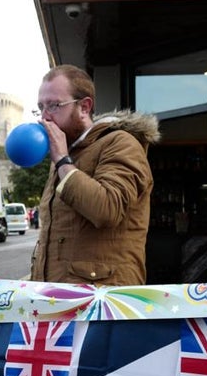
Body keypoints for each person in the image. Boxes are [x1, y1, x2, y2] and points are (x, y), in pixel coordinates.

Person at [30, 64, 159, 286]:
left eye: (53, 106)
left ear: (84, 107)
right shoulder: (66, 156)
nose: (44, 117)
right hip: (57, 298)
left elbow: (107, 209)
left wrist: (62, 160)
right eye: (40, 107)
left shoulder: (121, 143)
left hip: (103, 301)